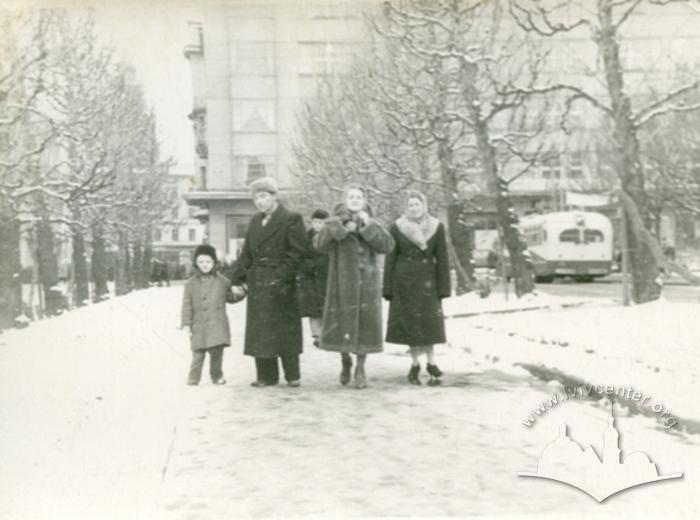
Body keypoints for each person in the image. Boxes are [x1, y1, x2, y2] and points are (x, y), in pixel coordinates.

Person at [228, 177, 308, 387]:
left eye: (263, 196)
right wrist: (234, 277)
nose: (259, 202)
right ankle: (266, 376)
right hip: (258, 283)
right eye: (256, 198)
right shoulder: (255, 221)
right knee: (262, 331)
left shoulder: (292, 219)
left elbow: (297, 253)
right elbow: (247, 254)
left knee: (285, 331)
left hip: (283, 283)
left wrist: (280, 277)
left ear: (274, 196)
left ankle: (292, 375)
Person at [314, 185, 394, 389]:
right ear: (345, 199)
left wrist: (369, 226)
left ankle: (360, 367)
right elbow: (318, 244)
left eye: (359, 197)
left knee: (365, 326)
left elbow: (387, 246)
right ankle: (345, 360)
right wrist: (338, 228)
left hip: (368, 284)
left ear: (364, 201)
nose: (355, 200)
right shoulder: (334, 221)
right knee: (343, 323)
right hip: (342, 282)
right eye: (351, 196)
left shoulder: (371, 221)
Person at [383, 190, 451, 386]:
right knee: (410, 324)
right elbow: (391, 258)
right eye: (410, 205)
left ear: (424, 205)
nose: (414, 208)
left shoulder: (437, 227)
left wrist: (444, 287)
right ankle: (414, 364)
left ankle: (431, 362)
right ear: (407, 207)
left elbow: (443, 258)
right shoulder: (397, 227)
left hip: (428, 279)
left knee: (429, 323)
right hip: (404, 281)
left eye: (417, 204)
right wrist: (387, 287)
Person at [180, 244, 246, 386]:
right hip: (199, 324)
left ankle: (216, 376)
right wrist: (186, 323)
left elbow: (230, 297)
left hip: (217, 324)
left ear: (214, 263)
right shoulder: (190, 284)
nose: (205, 265)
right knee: (198, 353)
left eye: (208, 262)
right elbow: (186, 305)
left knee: (217, 353)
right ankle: (193, 378)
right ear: (196, 263)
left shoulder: (222, 281)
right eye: (201, 262)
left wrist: (241, 292)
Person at [298, 209, 330, 348]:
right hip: (309, 277)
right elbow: (301, 255)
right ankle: (317, 335)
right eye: (315, 222)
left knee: (325, 305)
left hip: (325, 276)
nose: (318, 225)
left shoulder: (330, 237)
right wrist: (307, 267)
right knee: (313, 307)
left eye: (321, 222)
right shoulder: (306, 237)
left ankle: (326, 334)